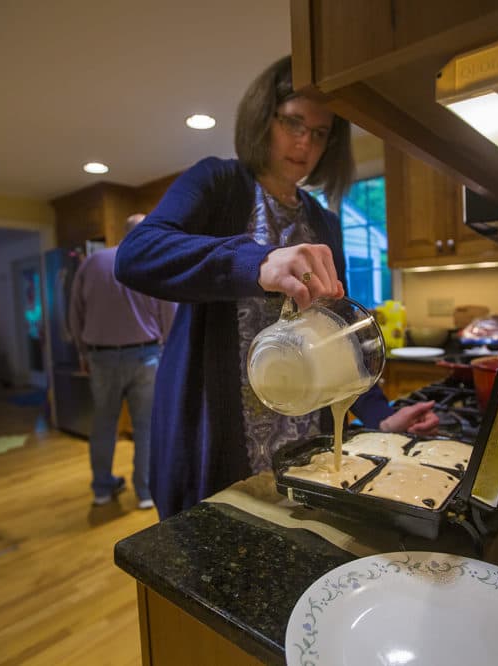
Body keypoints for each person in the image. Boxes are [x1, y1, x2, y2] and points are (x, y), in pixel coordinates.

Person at [114, 55, 438, 519]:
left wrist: (380, 416)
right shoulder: (218, 182)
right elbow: (136, 255)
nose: (304, 143)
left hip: (305, 446)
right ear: (263, 118)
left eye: (320, 132)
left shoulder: (321, 220)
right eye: (292, 123)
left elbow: (337, 335)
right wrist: (259, 261)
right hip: (220, 441)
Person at [69, 214, 177, 509]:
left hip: (101, 357)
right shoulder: (154, 263)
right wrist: (168, 349)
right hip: (146, 357)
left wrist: (82, 351)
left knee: (103, 425)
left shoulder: (92, 263)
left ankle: (102, 490)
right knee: (145, 428)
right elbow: (170, 313)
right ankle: (144, 493)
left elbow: (75, 310)